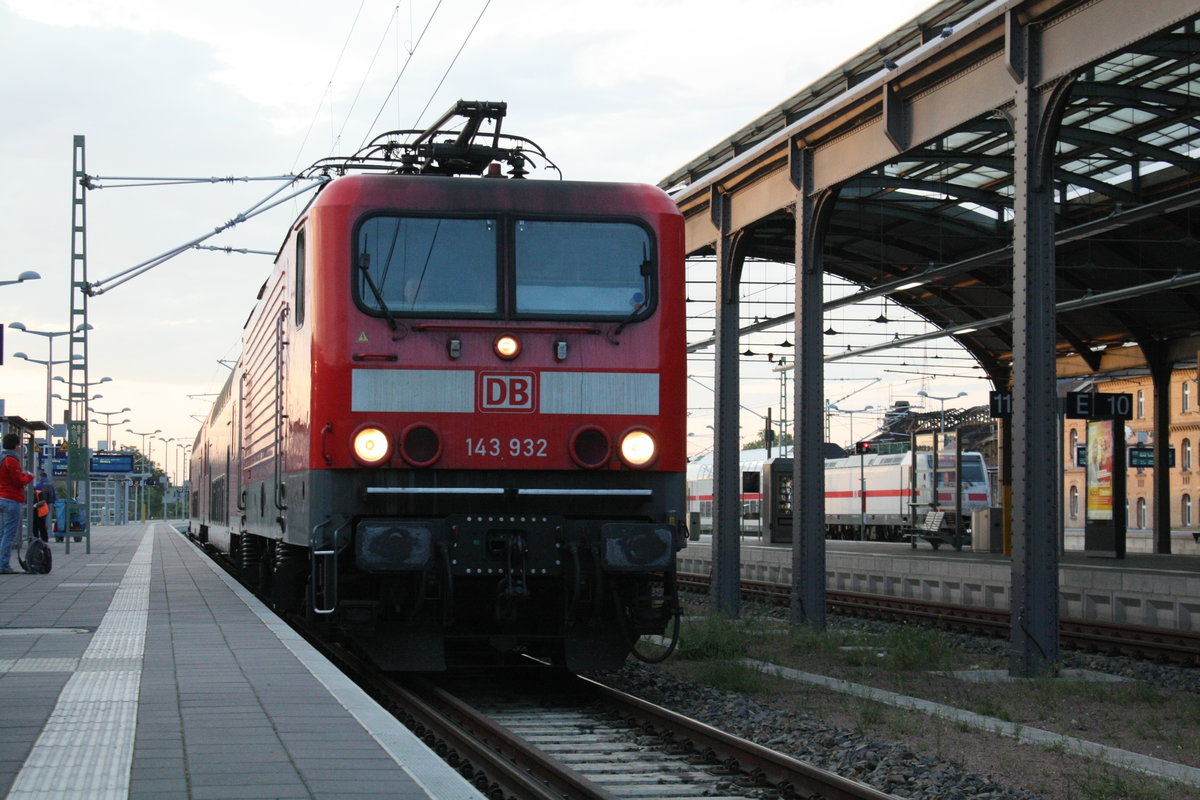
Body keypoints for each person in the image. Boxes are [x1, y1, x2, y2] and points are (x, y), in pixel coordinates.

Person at [0, 432, 35, 574]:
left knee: (2, 533)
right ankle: (3, 565)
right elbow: (17, 482)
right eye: (19, 444)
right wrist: (29, 477)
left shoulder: (1, 459)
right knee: (8, 535)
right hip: (11, 500)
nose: (20, 447)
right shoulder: (11, 460)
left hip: (1, 498)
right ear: (15, 445)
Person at [32, 471, 55, 543]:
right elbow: (54, 494)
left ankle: (37, 537)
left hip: (40, 504)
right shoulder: (50, 484)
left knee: (38, 521)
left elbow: (36, 492)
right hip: (48, 503)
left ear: (41, 476)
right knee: (45, 520)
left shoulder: (39, 484)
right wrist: (53, 501)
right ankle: (46, 535)